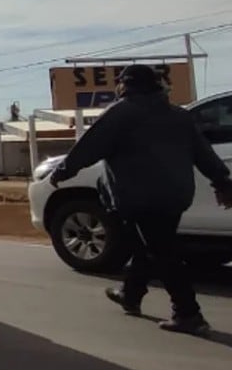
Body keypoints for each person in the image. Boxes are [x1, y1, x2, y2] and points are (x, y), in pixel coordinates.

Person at [50, 64, 232, 336]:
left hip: (141, 196)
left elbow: (90, 146)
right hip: (177, 194)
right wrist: (222, 182)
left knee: (162, 251)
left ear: (126, 85)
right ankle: (130, 294)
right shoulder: (179, 116)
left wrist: (63, 171)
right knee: (150, 244)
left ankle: (188, 313)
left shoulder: (122, 113)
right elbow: (204, 154)